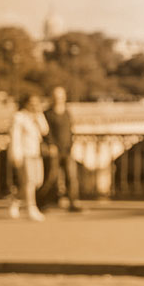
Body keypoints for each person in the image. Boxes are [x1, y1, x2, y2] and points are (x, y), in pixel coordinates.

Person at [8, 92, 49, 222]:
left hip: (36, 153)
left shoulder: (36, 117)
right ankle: (32, 208)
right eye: (32, 103)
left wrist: (39, 116)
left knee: (37, 181)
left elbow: (45, 130)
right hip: (25, 153)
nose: (34, 106)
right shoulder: (19, 117)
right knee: (29, 181)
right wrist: (16, 154)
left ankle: (17, 201)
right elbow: (15, 137)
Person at [43, 85, 82, 213]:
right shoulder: (47, 113)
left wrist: (71, 144)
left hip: (67, 150)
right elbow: (46, 132)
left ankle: (72, 201)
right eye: (56, 96)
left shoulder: (67, 112)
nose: (59, 99)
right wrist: (50, 145)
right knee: (51, 177)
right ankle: (44, 201)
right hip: (54, 150)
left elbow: (70, 130)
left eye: (60, 96)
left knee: (71, 177)